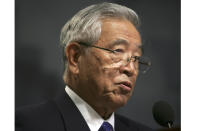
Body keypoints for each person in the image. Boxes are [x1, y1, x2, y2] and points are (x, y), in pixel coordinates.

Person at [16, 2, 152, 131]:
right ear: (75, 57)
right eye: (118, 51)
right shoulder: (29, 125)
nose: (131, 69)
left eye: (136, 58)